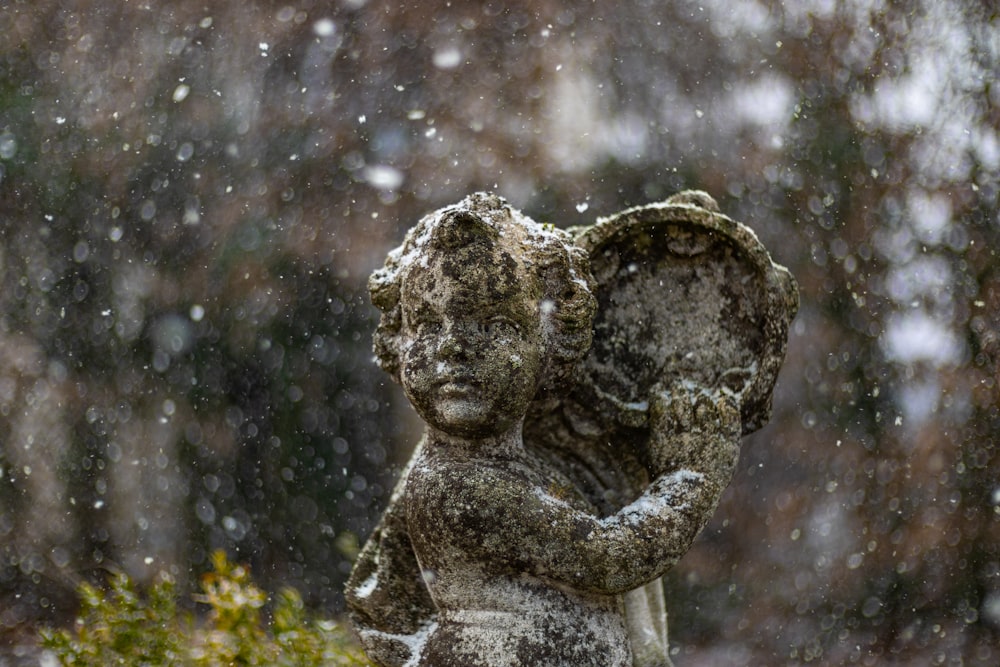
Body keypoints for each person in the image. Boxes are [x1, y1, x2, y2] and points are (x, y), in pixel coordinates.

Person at [346, 193, 741, 667]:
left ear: (550, 343)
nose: (453, 346)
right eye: (428, 323)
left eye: (492, 324)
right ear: (399, 339)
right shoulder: (460, 485)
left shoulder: (513, 462)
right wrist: (693, 477)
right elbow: (608, 559)